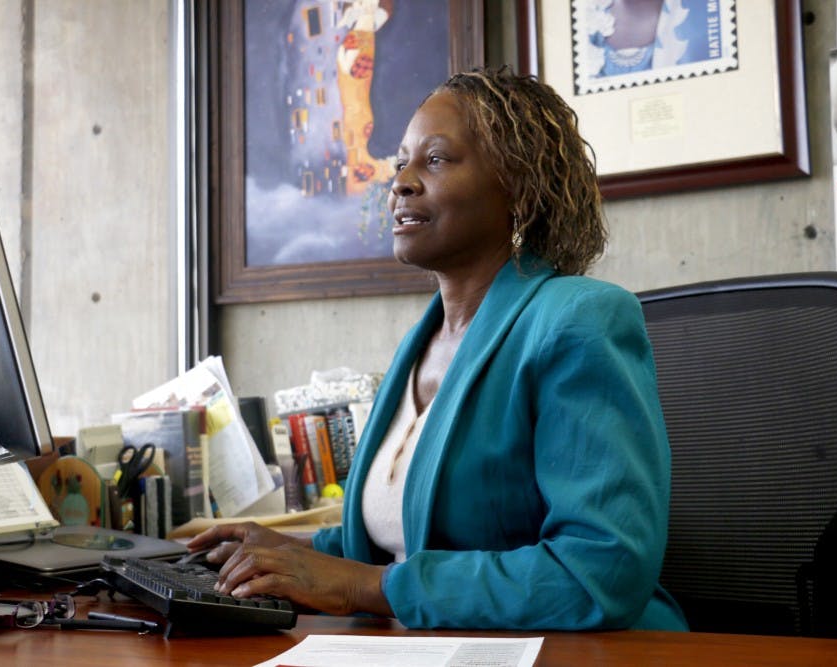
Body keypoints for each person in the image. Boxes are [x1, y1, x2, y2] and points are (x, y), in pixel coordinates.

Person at [188, 66, 688, 631]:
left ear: (518, 186)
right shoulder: (420, 342)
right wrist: (288, 549)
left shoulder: (577, 319)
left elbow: (601, 571)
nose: (401, 181)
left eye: (436, 159)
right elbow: (411, 530)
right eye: (400, 162)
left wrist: (364, 586)